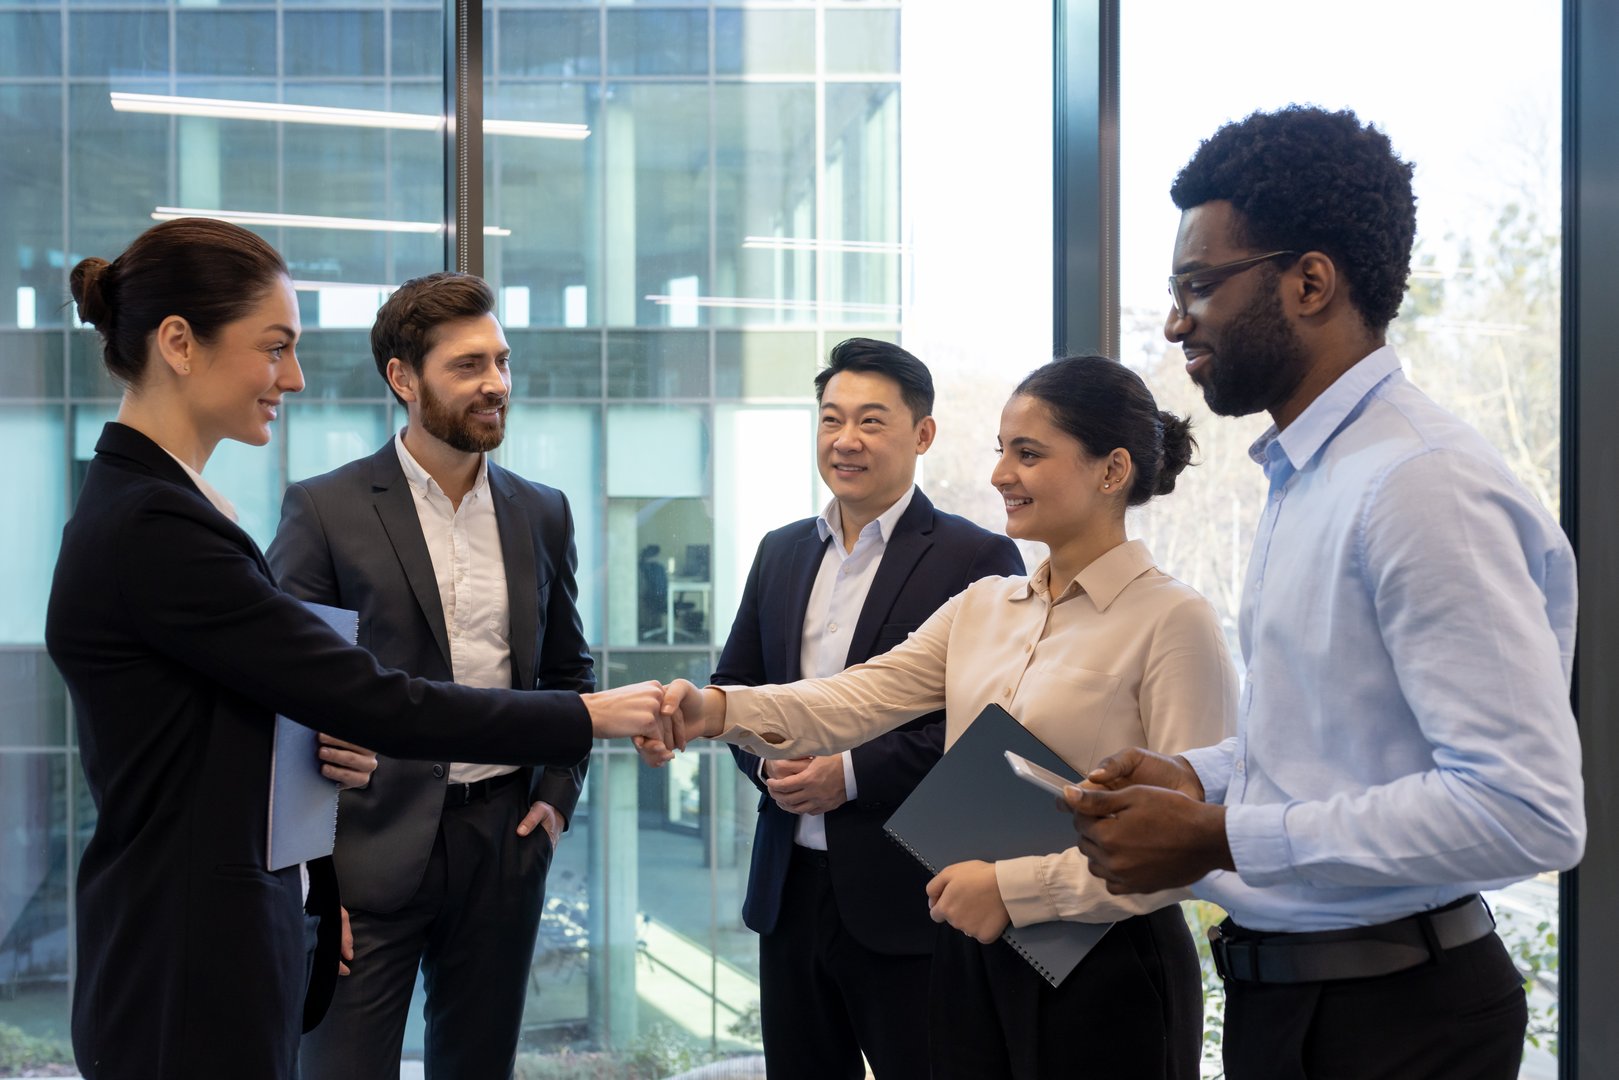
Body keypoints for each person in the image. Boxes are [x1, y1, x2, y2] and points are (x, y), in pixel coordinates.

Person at [46, 218, 670, 1080]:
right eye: (275, 348)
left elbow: (276, 704)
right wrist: (586, 718)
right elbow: (368, 697)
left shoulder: (166, 507)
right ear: (180, 344)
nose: (293, 378)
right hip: (191, 952)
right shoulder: (160, 525)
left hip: (228, 928)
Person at [1064, 106, 1585, 1080]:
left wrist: (1219, 835)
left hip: (1393, 1021)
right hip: (1303, 1007)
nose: (1175, 323)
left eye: (1196, 286)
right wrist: (1198, 780)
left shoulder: (1417, 484)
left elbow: (1524, 809)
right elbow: (1330, 741)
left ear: (1308, 282)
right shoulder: (1312, 474)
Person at [665, 355, 1238, 1080]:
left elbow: (1186, 847)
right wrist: (714, 709)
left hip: (1106, 964)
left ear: (1111, 470)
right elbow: (850, 700)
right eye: (1001, 450)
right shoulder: (983, 606)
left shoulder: (1173, 619)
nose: (1000, 474)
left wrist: (1012, 890)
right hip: (972, 948)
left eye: (1027, 454)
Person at [267, 272, 590, 1079]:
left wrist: (555, 796)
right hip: (362, 851)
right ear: (403, 378)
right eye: (468, 366)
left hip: (504, 844)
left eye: (501, 361)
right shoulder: (325, 509)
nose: (496, 384)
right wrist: (311, 881)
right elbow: (281, 692)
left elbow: (567, 669)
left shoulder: (542, 511)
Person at [716, 338, 1023, 1080]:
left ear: (923, 434)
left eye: (870, 421)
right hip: (788, 890)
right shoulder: (780, 551)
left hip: (911, 896)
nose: (845, 440)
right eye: (831, 419)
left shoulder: (976, 560)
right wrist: (768, 762)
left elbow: (990, 731)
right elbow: (736, 684)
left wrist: (849, 774)